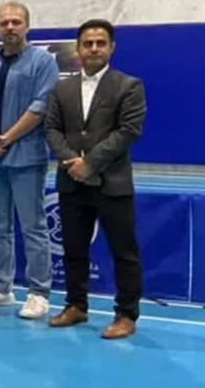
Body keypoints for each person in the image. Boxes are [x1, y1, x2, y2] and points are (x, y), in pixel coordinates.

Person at [44, 19, 147, 339]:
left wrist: (90, 163)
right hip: (71, 181)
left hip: (112, 183)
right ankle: (76, 305)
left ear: (111, 47)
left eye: (100, 43)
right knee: (74, 249)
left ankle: (126, 314)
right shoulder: (61, 88)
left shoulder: (129, 86)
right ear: (78, 49)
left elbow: (128, 131)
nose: (93, 49)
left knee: (124, 252)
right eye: (87, 43)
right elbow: (51, 129)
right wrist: (71, 161)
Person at [0, 1, 60, 320]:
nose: (10, 27)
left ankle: (39, 293)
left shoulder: (43, 62)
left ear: (27, 26)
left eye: (16, 22)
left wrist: (6, 138)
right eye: (4, 22)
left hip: (26, 159)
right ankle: (1, 287)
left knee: (33, 226)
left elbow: (40, 107)